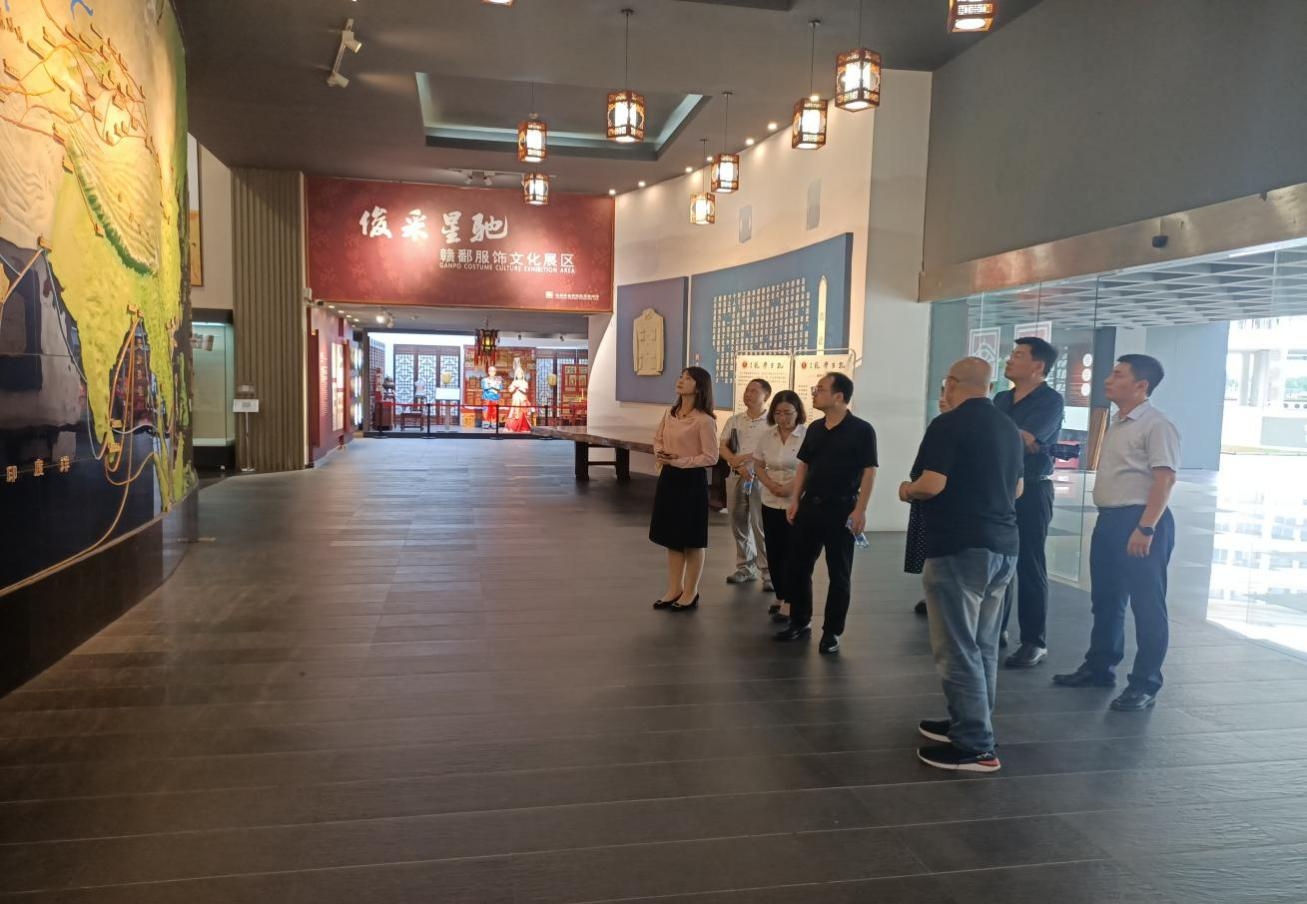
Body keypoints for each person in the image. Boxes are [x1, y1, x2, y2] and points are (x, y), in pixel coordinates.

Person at [899, 357, 1024, 773]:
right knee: (982, 645)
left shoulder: (948, 425)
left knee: (955, 648)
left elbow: (931, 484)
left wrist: (906, 490)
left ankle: (974, 746)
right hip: (1004, 546)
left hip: (959, 546)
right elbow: (1018, 488)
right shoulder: (1007, 427)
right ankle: (973, 723)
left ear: (951, 384)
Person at [1054, 354, 1179, 712]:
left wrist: (1146, 527)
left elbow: (1165, 479)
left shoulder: (1157, 425)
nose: (1108, 380)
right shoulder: (1119, 423)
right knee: (1106, 599)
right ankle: (1099, 667)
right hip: (1110, 521)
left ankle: (1145, 683)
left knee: (1147, 605)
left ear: (1141, 385)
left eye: (1118, 375)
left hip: (1141, 522)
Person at [773, 373, 877, 655]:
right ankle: (799, 620)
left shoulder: (862, 430)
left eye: (820, 389)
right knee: (798, 566)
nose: (815, 393)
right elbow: (804, 465)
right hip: (811, 506)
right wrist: (795, 499)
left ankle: (832, 631)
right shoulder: (816, 428)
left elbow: (869, 472)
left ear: (839, 396)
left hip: (842, 508)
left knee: (839, 573)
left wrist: (860, 510)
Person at [994, 337, 1066, 669]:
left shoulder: (1050, 400)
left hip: (1033, 489)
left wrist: (1015, 437)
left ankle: (1034, 641)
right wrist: (1017, 436)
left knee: (1029, 563)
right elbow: (1014, 439)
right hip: (1000, 488)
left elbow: (1025, 440)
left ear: (1038, 366)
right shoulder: (1002, 398)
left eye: (1018, 355)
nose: (1009, 360)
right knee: (999, 561)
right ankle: (996, 628)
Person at [650, 367, 720, 612]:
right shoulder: (670, 413)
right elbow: (658, 438)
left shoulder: (705, 420)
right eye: (681, 376)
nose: (681, 381)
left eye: (687, 378)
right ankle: (674, 589)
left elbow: (711, 456)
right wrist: (660, 452)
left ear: (699, 387)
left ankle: (690, 592)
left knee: (692, 539)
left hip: (691, 482)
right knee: (672, 537)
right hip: (669, 477)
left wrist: (681, 461)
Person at [751, 390, 807, 623]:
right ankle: (781, 594)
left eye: (788, 413)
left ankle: (792, 599)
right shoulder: (767, 436)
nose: (783, 418)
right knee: (774, 550)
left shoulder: (806, 435)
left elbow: (810, 468)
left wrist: (791, 488)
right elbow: (758, 465)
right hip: (770, 500)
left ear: (798, 412)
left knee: (795, 551)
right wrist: (771, 484)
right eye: (778, 413)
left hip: (797, 502)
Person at [720, 378, 773, 588]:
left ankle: (768, 574)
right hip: (736, 475)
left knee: (760, 526)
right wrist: (735, 461)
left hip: (761, 478)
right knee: (738, 522)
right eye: (747, 390)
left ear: (766, 396)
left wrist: (752, 463)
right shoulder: (735, 420)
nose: (748, 394)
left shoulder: (772, 423)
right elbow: (723, 446)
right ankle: (745, 568)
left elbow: (772, 452)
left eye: (754, 391)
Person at [910, 382, 953, 616]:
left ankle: (940, 597)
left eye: (949, 391)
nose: (943, 398)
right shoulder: (940, 425)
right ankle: (934, 596)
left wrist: (909, 490)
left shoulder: (948, 427)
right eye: (942, 392)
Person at [504, 364, 533, 433]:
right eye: (518, 374)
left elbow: (525, 391)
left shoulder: (525, 382)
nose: (519, 375)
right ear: (516, 375)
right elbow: (510, 390)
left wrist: (519, 388)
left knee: (522, 413)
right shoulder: (514, 382)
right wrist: (514, 388)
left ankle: (523, 427)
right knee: (514, 412)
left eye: (520, 373)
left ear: (522, 374)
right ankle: (512, 427)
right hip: (515, 399)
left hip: (522, 399)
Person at [480, 365, 503, 429]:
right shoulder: (484, 380)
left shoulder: (498, 380)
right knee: (486, 411)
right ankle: (486, 424)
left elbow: (500, 388)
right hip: (486, 398)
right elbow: (484, 387)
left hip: (495, 398)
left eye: (493, 371)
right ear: (488, 372)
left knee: (494, 411)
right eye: (490, 371)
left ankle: (494, 424)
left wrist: (493, 387)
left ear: (495, 372)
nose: (492, 372)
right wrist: (493, 387)